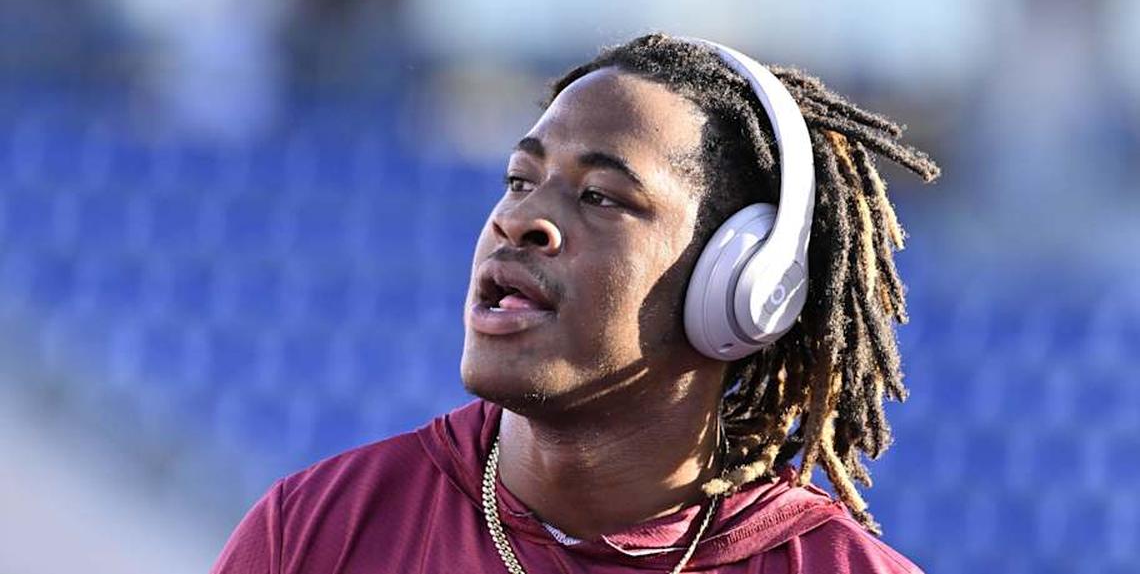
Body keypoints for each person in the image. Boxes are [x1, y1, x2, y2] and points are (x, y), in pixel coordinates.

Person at [210, 33, 940, 573]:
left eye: (600, 196)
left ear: (740, 284)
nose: (520, 219)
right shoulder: (314, 533)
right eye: (519, 180)